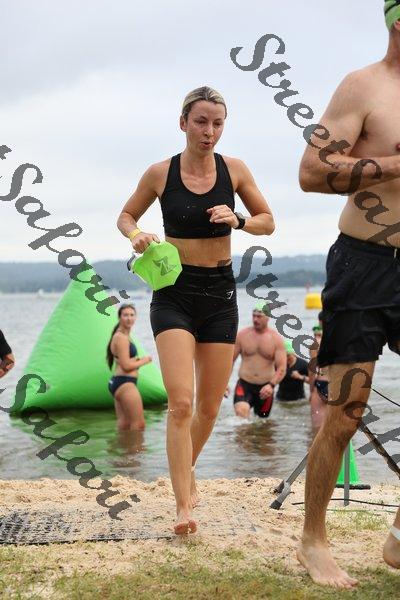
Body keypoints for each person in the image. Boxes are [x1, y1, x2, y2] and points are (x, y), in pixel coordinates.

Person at [117, 85, 275, 534]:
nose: (210, 132)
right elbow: (126, 216)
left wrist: (239, 220)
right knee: (181, 403)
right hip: (174, 292)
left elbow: (268, 222)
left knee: (208, 407)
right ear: (183, 122)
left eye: (218, 123)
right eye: (202, 122)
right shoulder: (159, 173)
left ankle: (185, 471)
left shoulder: (235, 170)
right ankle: (183, 506)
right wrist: (136, 235)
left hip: (220, 294)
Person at [296, 6, 400, 588]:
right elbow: (312, 172)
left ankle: (399, 538)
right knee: (346, 412)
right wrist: (393, 163)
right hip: (364, 264)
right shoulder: (363, 87)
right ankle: (313, 541)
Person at [232, 303, 286, 418]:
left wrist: (271, 385)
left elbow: (282, 367)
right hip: (244, 384)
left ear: (268, 317)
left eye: (259, 316)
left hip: (266, 387)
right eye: (254, 316)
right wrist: (224, 383)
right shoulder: (242, 335)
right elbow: (230, 361)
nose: (255, 319)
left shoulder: (276, 339)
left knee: (262, 423)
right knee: (241, 413)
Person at [106, 304, 151, 432]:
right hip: (125, 383)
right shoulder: (121, 338)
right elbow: (126, 366)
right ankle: (136, 446)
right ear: (119, 317)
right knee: (139, 424)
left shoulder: (121, 336)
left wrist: (134, 360)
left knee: (124, 424)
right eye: (125, 315)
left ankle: (123, 445)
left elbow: (123, 360)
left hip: (119, 382)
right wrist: (144, 360)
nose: (129, 318)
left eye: (132, 315)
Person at [308, 316, 329, 431]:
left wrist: (311, 390)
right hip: (339, 386)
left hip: (323, 384)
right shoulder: (342, 340)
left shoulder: (316, 343)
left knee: (317, 429)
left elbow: (312, 369)